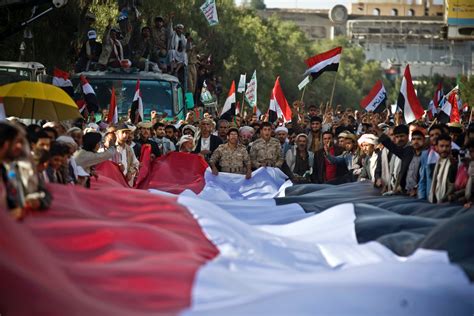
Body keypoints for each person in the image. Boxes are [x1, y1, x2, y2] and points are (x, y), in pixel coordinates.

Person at [0, 122, 51, 219]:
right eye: (17, 142)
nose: (20, 147)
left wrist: (39, 202)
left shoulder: (15, 167)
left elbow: (44, 193)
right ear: (6, 144)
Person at [428, 134, 457, 204]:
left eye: (447, 146)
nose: (444, 149)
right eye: (442, 146)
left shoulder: (455, 162)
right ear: (436, 147)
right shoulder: (434, 163)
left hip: (449, 202)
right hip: (435, 201)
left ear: (451, 147)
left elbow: (453, 184)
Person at [418, 124, 443, 200]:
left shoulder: (450, 153)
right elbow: (422, 179)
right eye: (432, 135)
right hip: (429, 198)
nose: (435, 137)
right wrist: (422, 198)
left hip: (444, 198)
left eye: (437, 134)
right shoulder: (425, 154)